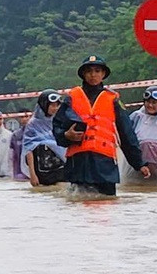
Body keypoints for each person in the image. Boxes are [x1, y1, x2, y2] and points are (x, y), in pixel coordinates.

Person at [54, 55, 148, 197]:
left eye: (97, 71)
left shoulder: (113, 100)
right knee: (78, 209)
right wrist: (66, 135)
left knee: (105, 208)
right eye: (89, 71)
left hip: (104, 165)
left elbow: (126, 133)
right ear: (83, 74)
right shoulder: (71, 98)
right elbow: (57, 126)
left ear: (103, 74)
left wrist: (139, 163)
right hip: (79, 164)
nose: (93, 75)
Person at [17, 92, 69, 186]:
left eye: (57, 105)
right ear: (44, 105)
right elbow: (29, 150)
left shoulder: (60, 122)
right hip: (42, 170)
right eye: (52, 105)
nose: (55, 108)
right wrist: (32, 174)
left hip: (61, 167)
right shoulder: (33, 125)